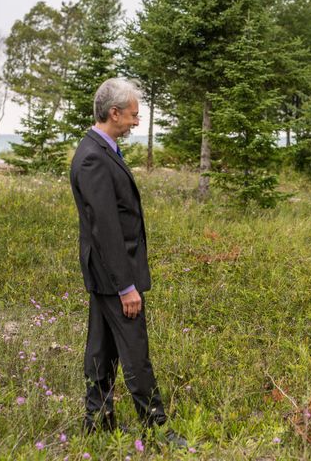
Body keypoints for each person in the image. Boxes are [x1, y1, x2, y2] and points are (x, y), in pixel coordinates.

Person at [69, 78, 186, 446]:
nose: (137, 122)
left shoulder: (104, 149)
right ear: (114, 113)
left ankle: (97, 421)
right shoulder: (92, 157)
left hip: (106, 273)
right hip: (113, 274)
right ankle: (158, 429)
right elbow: (105, 229)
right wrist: (126, 287)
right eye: (134, 115)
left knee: (101, 348)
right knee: (135, 352)